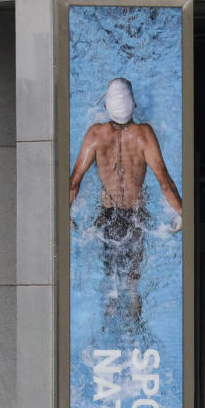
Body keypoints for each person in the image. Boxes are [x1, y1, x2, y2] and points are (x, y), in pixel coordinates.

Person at [69, 78, 183, 320]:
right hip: (135, 217)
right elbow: (164, 181)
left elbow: (74, 182)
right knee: (133, 284)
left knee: (110, 280)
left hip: (108, 217)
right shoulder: (144, 135)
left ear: (107, 106)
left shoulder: (95, 135)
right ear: (133, 104)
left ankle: (106, 327)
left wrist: (65, 213)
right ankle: (136, 328)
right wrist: (182, 212)